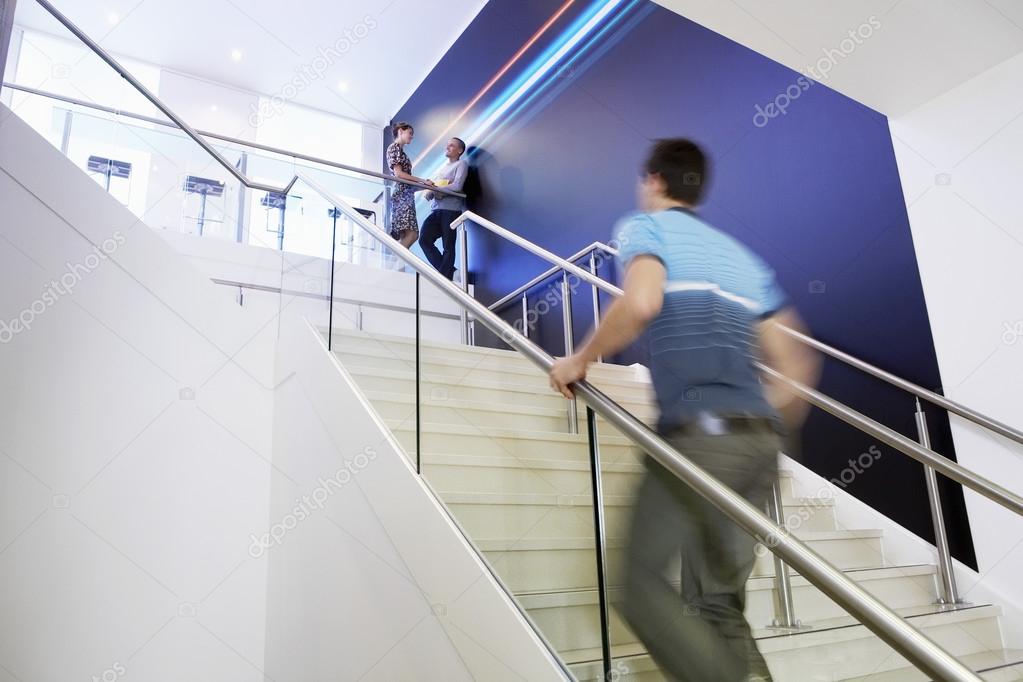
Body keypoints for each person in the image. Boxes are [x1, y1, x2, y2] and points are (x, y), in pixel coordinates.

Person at [549, 139, 819, 682]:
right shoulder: (742, 257)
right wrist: (750, 425)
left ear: (653, 181)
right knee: (719, 603)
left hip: (697, 438)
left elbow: (643, 302)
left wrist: (581, 358)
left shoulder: (644, 227)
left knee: (639, 585)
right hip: (760, 442)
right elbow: (799, 366)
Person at [418, 137, 469, 280]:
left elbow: (457, 186)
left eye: (451, 145)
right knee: (424, 240)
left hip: (451, 211)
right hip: (435, 210)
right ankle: (450, 273)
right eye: (447, 145)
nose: (447, 147)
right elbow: (435, 189)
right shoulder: (442, 168)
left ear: (459, 150)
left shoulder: (461, 164)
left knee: (448, 246)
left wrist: (437, 189)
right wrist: (432, 191)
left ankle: (443, 277)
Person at [385, 121, 433, 249]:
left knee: (406, 235)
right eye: (410, 133)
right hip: (402, 196)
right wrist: (423, 181)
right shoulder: (394, 148)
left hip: (405, 194)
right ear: (401, 131)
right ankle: (394, 263)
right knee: (412, 234)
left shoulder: (400, 151)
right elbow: (399, 174)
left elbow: (406, 182)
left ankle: (395, 265)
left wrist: (426, 185)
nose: (412, 136)